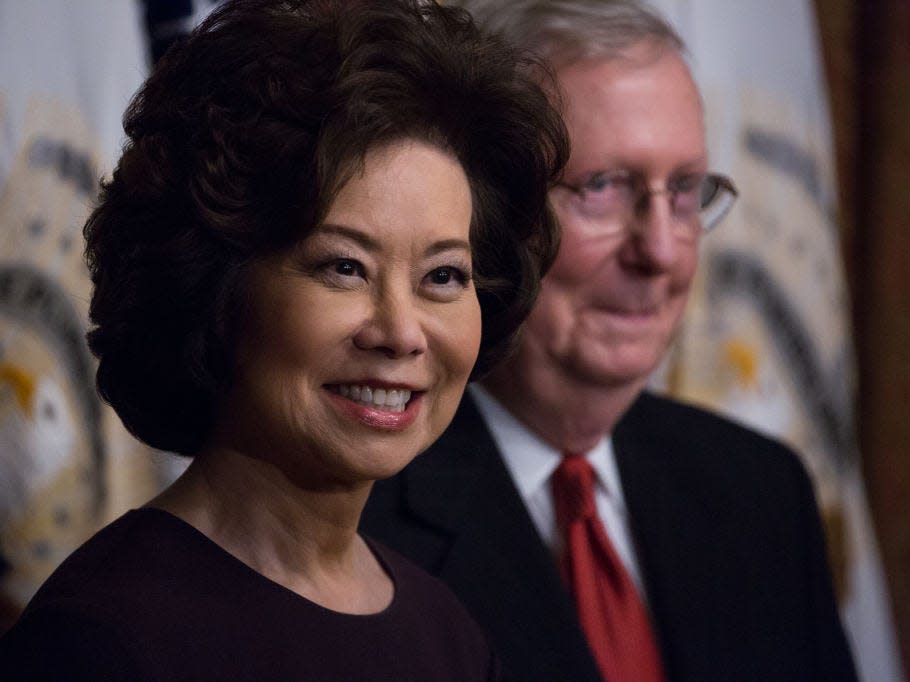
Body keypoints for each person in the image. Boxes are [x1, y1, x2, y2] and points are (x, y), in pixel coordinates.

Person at [0, 0, 568, 679]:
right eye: (344, 267)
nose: (400, 331)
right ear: (216, 285)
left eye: (443, 275)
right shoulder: (101, 641)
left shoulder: (447, 633)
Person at [361, 2, 859, 681]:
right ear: (485, 213)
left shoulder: (762, 493)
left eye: (684, 190)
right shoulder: (354, 519)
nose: (660, 251)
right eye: (603, 187)